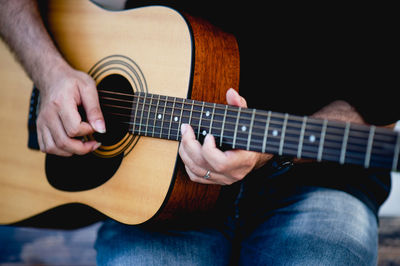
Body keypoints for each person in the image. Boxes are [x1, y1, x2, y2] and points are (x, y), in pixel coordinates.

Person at [0, 0, 397, 265]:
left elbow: (379, 113)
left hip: (316, 181)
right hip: (155, 189)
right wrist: (50, 72)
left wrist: (267, 153)